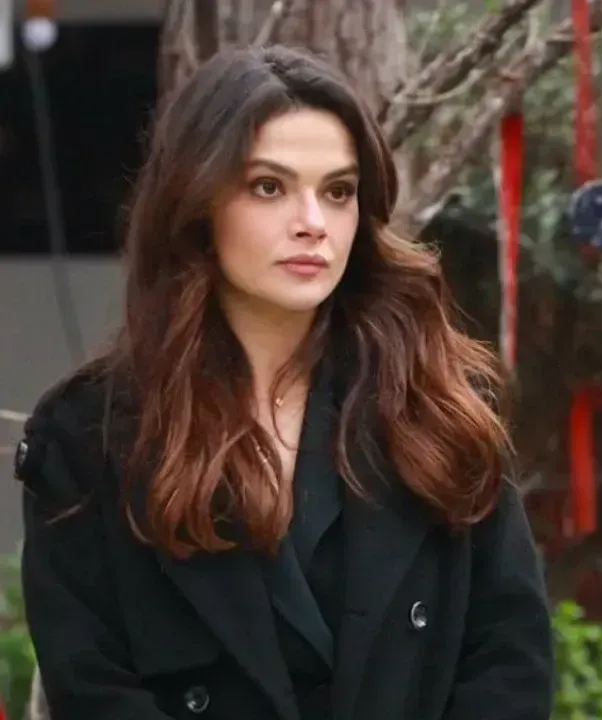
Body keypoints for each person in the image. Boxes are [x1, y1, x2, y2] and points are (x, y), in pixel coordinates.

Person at [15, 46, 552, 720]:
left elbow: (509, 663)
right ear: (197, 201)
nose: (313, 224)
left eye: (338, 191)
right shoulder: (86, 437)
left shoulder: (438, 406)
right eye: (269, 187)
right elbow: (92, 688)